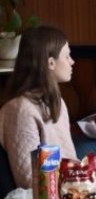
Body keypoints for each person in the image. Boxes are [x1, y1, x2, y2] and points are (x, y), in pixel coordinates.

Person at [0, 25, 78, 190]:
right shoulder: (20, 109)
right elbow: (28, 180)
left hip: (62, 193)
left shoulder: (57, 102)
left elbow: (71, 160)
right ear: (50, 62)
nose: (72, 61)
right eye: (67, 56)